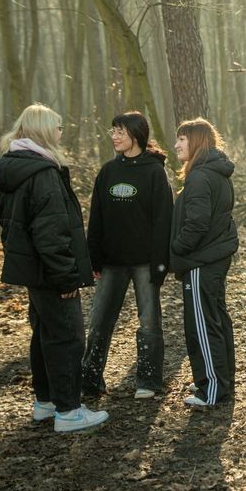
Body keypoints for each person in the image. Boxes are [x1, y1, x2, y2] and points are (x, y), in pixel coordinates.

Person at [0, 104, 108, 432]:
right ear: (43, 131)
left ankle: (45, 403)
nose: (61, 132)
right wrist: (66, 276)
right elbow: (51, 232)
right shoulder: (42, 174)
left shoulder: (13, 167)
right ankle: (69, 411)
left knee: (44, 334)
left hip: (33, 269)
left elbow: (9, 219)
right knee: (68, 337)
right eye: (57, 127)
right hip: (49, 271)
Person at [80, 112, 173, 400]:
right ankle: (90, 380)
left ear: (136, 134)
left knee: (149, 321)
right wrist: (93, 258)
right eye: (113, 131)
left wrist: (160, 264)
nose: (114, 136)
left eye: (120, 131)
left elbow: (163, 221)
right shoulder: (107, 171)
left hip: (146, 262)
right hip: (111, 262)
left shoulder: (155, 172)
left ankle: (148, 381)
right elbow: (97, 218)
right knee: (99, 322)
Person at [171, 118, 239, 409]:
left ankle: (211, 388)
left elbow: (197, 225)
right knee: (215, 319)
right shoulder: (215, 172)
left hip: (202, 260)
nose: (176, 145)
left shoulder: (200, 177)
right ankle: (219, 379)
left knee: (202, 324)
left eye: (182, 140)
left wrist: (175, 248)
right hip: (212, 258)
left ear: (197, 141)